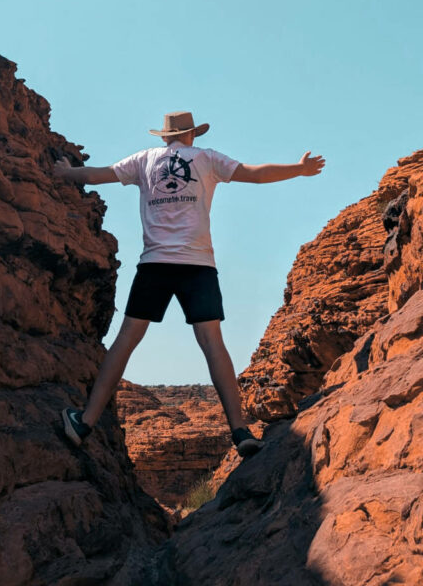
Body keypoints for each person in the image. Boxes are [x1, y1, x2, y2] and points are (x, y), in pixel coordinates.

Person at [53, 110, 325, 458]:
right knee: (213, 344)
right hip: (198, 266)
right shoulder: (207, 159)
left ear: (165, 137)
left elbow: (98, 174)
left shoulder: (144, 160)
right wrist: (298, 169)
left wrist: (65, 174)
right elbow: (255, 175)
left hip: (155, 265)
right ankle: (240, 431)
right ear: (192, 135)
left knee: (125, 342)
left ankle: (84, 422)